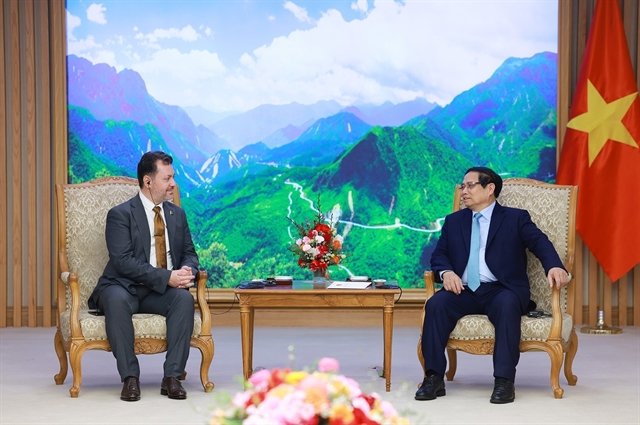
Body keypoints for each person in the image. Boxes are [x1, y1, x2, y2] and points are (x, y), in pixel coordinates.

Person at [416, 166, 569, 404]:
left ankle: (504, 381)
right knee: (436, 305)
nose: (464, 191)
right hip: (463, 290)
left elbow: (540, 242)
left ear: (490, 189)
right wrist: (446, 273)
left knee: (507, 305)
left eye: (470, 186)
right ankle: (433, 378)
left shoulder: (515, 218)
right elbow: (440, 254)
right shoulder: (454, 221)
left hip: (502, 289)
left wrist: (554, 266)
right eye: (462, 186)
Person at [89, 151, 199, 402]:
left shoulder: (177, 214)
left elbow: (190, 254)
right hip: (122, 286)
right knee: (116, 301)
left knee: (183, 299)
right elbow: (123, 261)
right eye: (167, 178)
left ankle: (172, 377)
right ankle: (130, 378)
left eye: (173, 177)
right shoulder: (120, 214)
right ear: (148, 181)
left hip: (158, 291)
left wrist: (186, 271)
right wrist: (167, 276)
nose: (173, 184)